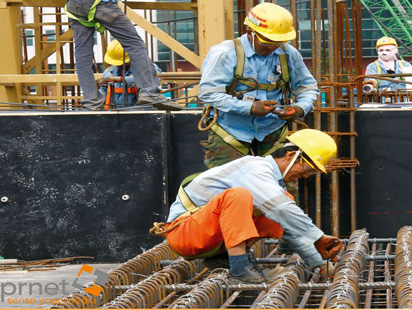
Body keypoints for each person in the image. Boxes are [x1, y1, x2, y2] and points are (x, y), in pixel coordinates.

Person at [150, 129, 341, 284]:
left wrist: (319, 264)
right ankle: (240, 270)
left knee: (281, 204)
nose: (306, 176)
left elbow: (288, 224)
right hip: (184, 234)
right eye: (308, 169)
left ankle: (226, 258)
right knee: (239, 197)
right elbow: (283, 210)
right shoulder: (256, 169)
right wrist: (319, 236)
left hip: (208, 237)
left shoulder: (269, 184)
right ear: (292, 155)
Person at [198, 2, 319, 169]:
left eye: (277, 43)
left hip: (272, 130)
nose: (272, 47)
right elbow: (209, 93)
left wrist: (299, 108)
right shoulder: (225, 54)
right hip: (230, 132)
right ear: (250, 32)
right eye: (267, 42)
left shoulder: (288, 53)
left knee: (281, 186)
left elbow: (308, 88)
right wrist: (249, 108)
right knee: (227, 187)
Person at [64, 0, 182, 111]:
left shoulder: (110, 72)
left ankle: (91, 101)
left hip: (74, 6)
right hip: (100, 4)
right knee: (135, 45)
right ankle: (150, 93)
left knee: (83, 55)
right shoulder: (110, 73)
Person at [99, 40, 163, 109]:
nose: (119, 65)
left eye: (122, 63)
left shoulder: (147, 67)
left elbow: (154, 78)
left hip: (141, 115)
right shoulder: (109, 72)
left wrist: (121, 79)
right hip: (115, 115)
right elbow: (102, 94)